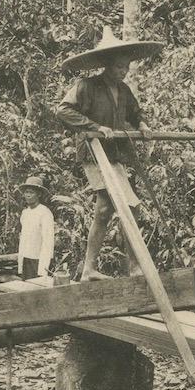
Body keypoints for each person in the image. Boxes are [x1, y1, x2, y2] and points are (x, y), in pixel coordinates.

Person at [53, 27, 164, 280]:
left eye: (125, 67)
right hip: (94, 153)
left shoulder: (123, 90)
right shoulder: (86, 86)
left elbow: (136, 113)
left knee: (127, 207)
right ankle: (91, 268)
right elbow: (63, 111)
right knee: (107, 207)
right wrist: (95, 128)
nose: (122, 72)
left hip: (115, 154)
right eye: (117, 68)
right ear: (106, 66)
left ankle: (131, 266)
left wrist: (143, 125)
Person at [16, 176, 55, 281]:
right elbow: (23, 239)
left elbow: (48, 241)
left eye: (31, 192)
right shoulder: (25, 213)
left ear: (39, 194)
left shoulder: (44, 213)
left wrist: (43, 269)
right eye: (26, 192)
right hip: (26, 259)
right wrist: (21, 264)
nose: (28, 195)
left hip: (38, 261)